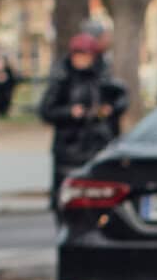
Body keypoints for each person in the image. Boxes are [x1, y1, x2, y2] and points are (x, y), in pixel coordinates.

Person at [39, 31, 126, 198]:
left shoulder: (103, 76)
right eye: (77, 54)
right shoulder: (62, 78)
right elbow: (46, 110)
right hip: (69, 147)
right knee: (68, 195)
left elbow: (122, 98)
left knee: (98, 195)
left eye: (85, 54)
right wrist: (69, 112)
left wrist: (109, 109)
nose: (80, 59)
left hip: (98, 143)